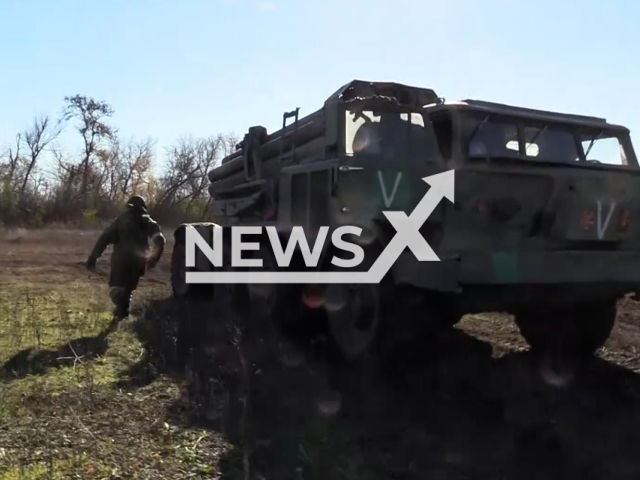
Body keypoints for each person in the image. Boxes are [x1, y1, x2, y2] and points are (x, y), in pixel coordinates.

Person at [85, 195, 166, 319]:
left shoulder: (121, 220)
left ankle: (122, 305)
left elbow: (104, 239)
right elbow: (160, 240)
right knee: (128, 289)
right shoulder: (148, 221)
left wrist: (93, 257)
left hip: (120, 260)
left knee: (116, 290)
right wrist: (154, 258)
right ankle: (123, 310)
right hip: (139, 262)